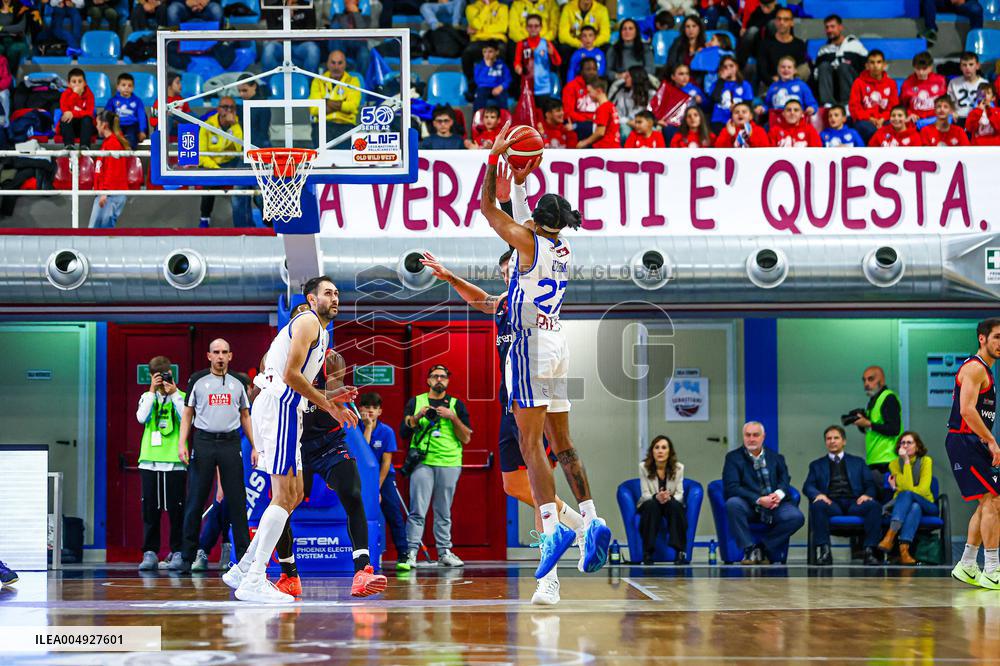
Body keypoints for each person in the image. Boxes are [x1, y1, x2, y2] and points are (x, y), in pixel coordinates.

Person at [481, 124, 613, 605]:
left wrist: (492, 160)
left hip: (530, 345)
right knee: (566, 443)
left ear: (535, 222)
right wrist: (519, 174)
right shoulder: (559, 244)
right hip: (559, 343)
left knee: (530, 442)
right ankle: (591, 517)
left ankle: (555, 528)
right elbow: (518, 207)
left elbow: (489, 211)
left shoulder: (527, 243)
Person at [419, 238, 585, 583]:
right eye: (507, 268)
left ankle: (548, 578)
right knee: (512, 486)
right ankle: (576, 522)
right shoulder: (501, 305)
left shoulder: (537, 304)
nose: (512, 271)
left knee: (540, 489)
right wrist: (450, 277)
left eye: (517, 266)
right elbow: (480, 299)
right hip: (509, 405)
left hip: (536, 401)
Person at [224, 277, 358, 603]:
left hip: (287, 408)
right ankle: (255, 579)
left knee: (294, 494)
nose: (335, 298)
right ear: (311, 299)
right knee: (284, 495)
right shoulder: (309, 321)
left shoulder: (320, 332)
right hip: (281, 405)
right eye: (328, 293)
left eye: (337, 293)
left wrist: (331, 399)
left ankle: (243, 568)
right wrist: (330, 405)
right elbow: (291, 375)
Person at [292, 330, 387, 597]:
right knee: (284, 504)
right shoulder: (283, 360)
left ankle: (362, 569)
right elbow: (289, 391)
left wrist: (335, 400)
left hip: (329, 443)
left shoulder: (331, 358)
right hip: (296, 445)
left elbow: (334, 388)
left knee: (353, 494)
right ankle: (286, 572)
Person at [171, 339, 254, 574]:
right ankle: (187, 557)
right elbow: (187, 415)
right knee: (195, 500)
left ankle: (244, 560)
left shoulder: (238, 383)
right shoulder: (197, 380)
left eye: (224, 352)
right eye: (216, 352)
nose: (220, 356)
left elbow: (245, 416)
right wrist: (182, 444)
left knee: (237, 502)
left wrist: (255, 447)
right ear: (208, 356)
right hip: (204, 442)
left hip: (230, 442)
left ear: (230, 355)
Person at [399, 364, 472, 569]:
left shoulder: (456, 405)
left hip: (449, 462)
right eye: (435, 376)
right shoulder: (417, 402)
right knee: (417, 510)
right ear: (428, 380)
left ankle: (444, 552)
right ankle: (411, 552)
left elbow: (466, 437)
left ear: (448, 380)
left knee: (443, 510)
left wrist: (452, 417)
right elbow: (404, 431)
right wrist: (419, 415)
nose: (439, 380)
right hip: (422, 461)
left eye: (443, 376)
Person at [946, 318, 1000, 590]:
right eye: (997, 337)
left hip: (972, 441)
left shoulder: (986, 371)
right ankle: (992, 569)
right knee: (993, 500)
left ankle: (968, 563)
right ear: (982, 338)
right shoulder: (975, 368)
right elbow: (967, 410)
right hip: (964, 441)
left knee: (988, 502)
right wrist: (991, 441)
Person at [722, 421, 804, 565]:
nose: (751, 439)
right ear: (743, 436)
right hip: (750, 506)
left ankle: (762, 548)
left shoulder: (776, 457)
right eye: (748, 435)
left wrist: (778, 495)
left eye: (755, 435)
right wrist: (759, 499)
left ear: (763, 436)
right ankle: (748, 549)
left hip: (775, 506)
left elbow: (785, 481)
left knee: (796, 517)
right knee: (733, 504)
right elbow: (731, 487)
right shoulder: (733, 458)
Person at [803, 425, 882, 566]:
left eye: (836, 438)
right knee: (817, 505)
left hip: (855, 502)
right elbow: (808, 486)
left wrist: (867, 495)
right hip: (831, 503)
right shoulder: (816, 465)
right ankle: (825, 552)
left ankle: (870, 552)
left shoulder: (858, 462)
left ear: (844, 441)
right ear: (825, 442)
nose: (832, 441)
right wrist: (818, 494)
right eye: (828, 439)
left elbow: (870, 484)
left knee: (874, 506)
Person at [135, 355, 187, 571]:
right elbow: (141, 417)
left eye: (166, 375)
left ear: (172, 374)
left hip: (174, 462)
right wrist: (151, 391)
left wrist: (173, 393)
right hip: (150, 462)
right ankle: (150, 552)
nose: (163, 380)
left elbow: (187, 417)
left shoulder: (181, 396)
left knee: (177, 510)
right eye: (159, 376)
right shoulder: (147, 397)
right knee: (150, 510)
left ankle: (177, 550)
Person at [358, 392, 410, 570]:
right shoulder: (354, 428)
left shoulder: (387, 431)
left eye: (374, 408)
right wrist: (368, 428)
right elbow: (362, 455)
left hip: (383, 477)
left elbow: (386, 462)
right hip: (360, 477)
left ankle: (404, 555)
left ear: (380, 411)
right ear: (360, 409)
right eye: (367, 407)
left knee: (393, 513)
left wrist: (376, 488)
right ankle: (368, 555)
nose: (370, 411)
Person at [878, 431, 935, 566]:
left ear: (917, 446)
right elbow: (909, 486)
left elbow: (922, 489)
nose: (905, 446)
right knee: (914, 507)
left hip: (927, 504)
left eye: (909, 442)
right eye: (902, 443)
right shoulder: (894, 464)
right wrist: (906, 462)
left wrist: (899, 488)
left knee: (908, 495)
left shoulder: (926, 461)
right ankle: (904, 552)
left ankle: (890, 535)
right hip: (908, 506)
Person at [197, 97, 252, 228]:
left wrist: (234, 126)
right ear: (218, 109)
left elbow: (240, 149)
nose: (228, 110)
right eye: (225, 107)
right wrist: (216, 169)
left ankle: (250, 221)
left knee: (248, 181)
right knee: (208, 185)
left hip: (230, 162)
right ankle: (205, 218)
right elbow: (201, 155)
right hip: (212, 164)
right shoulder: (207, 125)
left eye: (231, 107)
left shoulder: (238, 125)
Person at [636, 435, 687, 564]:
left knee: (675, 506)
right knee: (652, 506)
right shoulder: (643, 467)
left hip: (671, 502)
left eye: (664, 448)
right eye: (657, 447)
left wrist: (669, 498)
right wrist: (656, 497)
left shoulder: (679, 468)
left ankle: (679, 551)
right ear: (652, 451)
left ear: (669, 451)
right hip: (651, 502)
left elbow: (680, 494)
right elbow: (645, 494)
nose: (660, 451)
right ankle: (648, 552)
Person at [850, 365, 903, 479]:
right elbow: (874, 429)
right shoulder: (873, 401)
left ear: (882, 380)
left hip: (888, 459)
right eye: (864, 380)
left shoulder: (888, 398)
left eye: (871, 379)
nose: (866, 384)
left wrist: (869, 424)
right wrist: (863, 422)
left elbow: (894, 429)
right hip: (876, 459)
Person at [309, 50, 362, 147]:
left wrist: (326, 103)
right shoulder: (318, 80)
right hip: (323, 125)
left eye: (340, 63)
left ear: (345, 64)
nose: (336, 67)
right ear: (327, 64)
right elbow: (314, 109)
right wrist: (342, 104)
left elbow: (352, 107)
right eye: (333, 63)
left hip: (346, 125)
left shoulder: (353, 81)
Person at [813, 14, 867, 107]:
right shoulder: (823, 51)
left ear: (840, 27)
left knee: (844, 67)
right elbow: (816, 75)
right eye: (827, 27)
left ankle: (847, 104)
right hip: (832, 89)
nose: (829, 30)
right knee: (824, 66)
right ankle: (827, 104)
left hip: (853, 89)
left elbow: (867, 69)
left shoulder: (855, 45)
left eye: (832, 27)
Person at [88, 110, 129, 229]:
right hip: (106, 194)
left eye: (97, 123)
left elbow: (113, 170)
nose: (96, 126)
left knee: (101, 233)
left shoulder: (113, 144)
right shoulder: (108, 143)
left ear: (104, 125)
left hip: (110, 195)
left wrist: (104, 192)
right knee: (96, 233)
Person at [849, 50, 898, 147]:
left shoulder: (891, 83)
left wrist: (882, 119)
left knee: (895, 126)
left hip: (885, 119)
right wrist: (871, 119)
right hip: (865, 121)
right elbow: (854, 109)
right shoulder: (858, 82)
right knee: (871, 130)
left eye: (879, 62)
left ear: (884, 65)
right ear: (867, 65)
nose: (875, 65)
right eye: (872, 62)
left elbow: (894, 108)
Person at [261, 0, 320, 74]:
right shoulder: (273, 7)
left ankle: (310, 83)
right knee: (269, 49)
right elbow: (272, 32)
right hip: (280, 45)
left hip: (301, 45)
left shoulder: (307, 5)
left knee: (312, 49)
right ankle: (269, 83)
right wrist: (287, 15)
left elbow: (310, 30)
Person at [462, 0, 509, 87]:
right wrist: (486, 7)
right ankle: (473, 84)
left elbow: (502, 27)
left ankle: (499, 84)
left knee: (501, 51)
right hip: (478, 40)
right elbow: (476, 25)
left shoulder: (502, 7)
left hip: (497, 39)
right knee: (467, 52)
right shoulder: (471, 8)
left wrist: (481, 30)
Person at [756, 7, 809, 85]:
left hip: (793, 85)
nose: (781, 22)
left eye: (786, 19)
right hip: (772, 86)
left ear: (792, 23)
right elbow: (762, 71)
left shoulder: (799, 44)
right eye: (779, 19)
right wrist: (774, 82)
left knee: (805, 68)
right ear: (775, 22)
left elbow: (800, 69)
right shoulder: (765, 44)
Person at [556, 0, 610, 75]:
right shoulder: (568, 8)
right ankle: (566, 83)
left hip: (593, 44)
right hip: (575, 45)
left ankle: (603, 81)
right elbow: (563, 35)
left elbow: (605, 35)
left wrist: (592, 43)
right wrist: (579, 44)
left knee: (607, 47)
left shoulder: (602, 10)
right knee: (563, 48)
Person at [514, 13, 561, 100]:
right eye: (530, 26)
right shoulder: (521, 44)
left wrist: (552, 53)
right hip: (527, 85)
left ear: (540, 28)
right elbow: (517, 62)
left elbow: (558, 62)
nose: (533, 29)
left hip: (544, 86)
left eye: (536, 26)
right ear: (526, 28)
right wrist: (518, 67)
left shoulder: (546, 43)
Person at [708, 55, 753, 133]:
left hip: (738, 121)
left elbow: (748, 104)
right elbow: (714, 99)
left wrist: (736, 107)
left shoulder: (745, 85)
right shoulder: (716, 84)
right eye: (725, 67)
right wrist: (721, 80)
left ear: (736, 67)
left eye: (731, 66)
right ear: (721, 69)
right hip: (719, 121)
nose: (728, 69)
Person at [608, 66, 656, 139]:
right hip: (627, 123)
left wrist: (641, 122)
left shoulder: (651, 94)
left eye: (627, 77)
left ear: (636, 78)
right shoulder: (621, 93)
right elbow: (616, 113)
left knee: (654, 132)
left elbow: (654, 114)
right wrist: (628, 121)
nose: (624, 79)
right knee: (625, 131)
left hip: (645, 123)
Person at [900, 51, 946, 124]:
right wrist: (909, 114)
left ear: (931, 67)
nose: (921, 72)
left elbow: (947, 102)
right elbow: (902, 105)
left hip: (936, 120)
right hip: (915, 121)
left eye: (924, 69)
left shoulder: (941, 81)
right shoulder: (907, 83)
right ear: (914, 67)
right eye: (918, 69)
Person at [105, 73, 147, 149]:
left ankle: (130, 156)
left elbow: (142, 116)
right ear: (118, 87)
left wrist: (142, 131)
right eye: (123, 85)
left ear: (133, 87)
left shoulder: (137, 101)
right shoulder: (112, 101)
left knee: (131, 139)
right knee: (115, 140)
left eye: (129, 86)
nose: (126, 88)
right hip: (117, 125)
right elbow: (108, 115)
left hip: (132, 125)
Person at [561, 57, 600, 141]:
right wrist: (588, 120)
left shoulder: (600, 86)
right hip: (579, 124)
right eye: (588, 69)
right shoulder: (571, 87)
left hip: (597, 123)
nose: (592, 72)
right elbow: (568, 112)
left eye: (594, 69)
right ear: (581, 71)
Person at [576, 77, 620, 148]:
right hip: (612, 146)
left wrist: (584, 142)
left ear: (599, 91)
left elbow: (600, 132)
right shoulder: (610, 105)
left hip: (605, 148)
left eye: (589, 92)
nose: (588, 95)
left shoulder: (603, 108)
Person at [947, 52, 987, 125]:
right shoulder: (953, 83)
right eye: (964, 65)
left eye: (971, 64)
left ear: (977, 66)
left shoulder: (984, 83)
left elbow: (985, 103)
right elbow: (950, 102)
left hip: (978, 119)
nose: (967, 68)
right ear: (960, 67)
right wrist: (952, 112)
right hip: (959, 118)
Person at [59, 68, 95, 148]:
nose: (77, 84)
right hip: (71, 127)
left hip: (84, 128)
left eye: (80, 81)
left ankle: (85, 146)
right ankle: (69, 145)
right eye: (74, 82)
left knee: (87, 119)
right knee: (65, 118)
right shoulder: (65, 94)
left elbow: (89, 112)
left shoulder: (89, 95)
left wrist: (73, 113)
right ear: (68, 84)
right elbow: (65, 110)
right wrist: (75, 94)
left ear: (85, 83)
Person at [472, 41, 511, 111]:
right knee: (479, 98)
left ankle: (505, 120)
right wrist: (487, 67)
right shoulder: (479, 65)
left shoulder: (502, 65)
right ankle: (477, 120)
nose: (487, 54)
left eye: (490, 51)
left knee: (503, 99)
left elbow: (508, 79)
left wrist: (501, 87)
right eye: (485, 52)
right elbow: (478, 80)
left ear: (497, 52)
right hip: (483, 87)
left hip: (498, 87)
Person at [0, 0, 31, 74]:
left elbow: (20, 27)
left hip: (15, 40)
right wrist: (10, 31)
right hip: (1, 40)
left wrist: (2, 28)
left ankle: (10, 75)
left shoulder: (19, 8)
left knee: (15, 49)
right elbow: (15, 29)